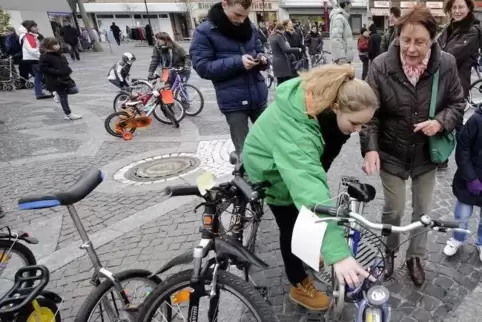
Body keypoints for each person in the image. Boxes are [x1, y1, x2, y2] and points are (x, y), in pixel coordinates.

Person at [242, 64, 378, 311]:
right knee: (290, 223)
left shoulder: (327, 102)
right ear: (336, 108)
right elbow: (309, 189)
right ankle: (298, 283)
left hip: (291, 158)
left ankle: (309, 251)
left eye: (363, 126)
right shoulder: (300, 129)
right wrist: (338, 253)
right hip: (269, 168)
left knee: (307, 214)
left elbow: (317, 168)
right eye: (355, 124)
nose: (358, 131)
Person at [360, 5, 465, 286]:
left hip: (425, 153)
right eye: (406, 40)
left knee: (423, 211)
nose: (411, 48)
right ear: (398, 35)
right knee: (393, 209)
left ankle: (415, 256)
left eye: (419, 41)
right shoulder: (382, 65)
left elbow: (457, 102)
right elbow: (369, 113)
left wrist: (441, 122)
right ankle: (390, 251)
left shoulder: (446, 64)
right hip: (391, 150)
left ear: (432, 39)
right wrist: (370, 148)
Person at [190, 0, 269, 155]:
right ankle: (245, 177)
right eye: (237, 14)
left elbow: (260, 50)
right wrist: (238, 62)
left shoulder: (250, 26)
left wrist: (263, 59)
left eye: (245, 16)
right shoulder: (204, 31)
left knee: (270, 145)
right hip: (233, 102)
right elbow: (202, 67)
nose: (241, 20)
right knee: (244, 152)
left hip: (258, 97)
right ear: (225, 4)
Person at [437, 0, 481, 170]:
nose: (456, 11)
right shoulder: (450, 28)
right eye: (454, 7)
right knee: (447, 119)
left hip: (458, 84)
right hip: (443, 81)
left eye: (460, 7)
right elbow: (435, 48)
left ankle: (468, 159)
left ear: (469, 8)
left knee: (455, 122)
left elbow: (449, 55)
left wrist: (436, 55)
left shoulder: (473, 30)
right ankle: (444, 158)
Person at [443, 105, 482, 259]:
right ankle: (458, 239)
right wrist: (471, 177)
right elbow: (463, 149)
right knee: (462, 215)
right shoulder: (476, 120)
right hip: (470, 178)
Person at [39, 37, 81, 120]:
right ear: (49, 45)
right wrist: (57, 72)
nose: (58, 46)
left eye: (58, 44)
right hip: (56, 80)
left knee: (74, 90)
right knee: (63, 96)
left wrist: (68, 70)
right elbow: (44, 68)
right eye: (55, 44)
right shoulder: (45, 56)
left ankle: (57, 93)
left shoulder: (60, 54)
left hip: (65, 77)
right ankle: (68, 114)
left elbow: (65, 64)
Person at [18, 20, 53, 99]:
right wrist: (42, 56)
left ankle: (39, 93)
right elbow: (33, 49)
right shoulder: (28, 36)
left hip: (33, 59)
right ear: (29, 28)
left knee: (38, 76)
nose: (37, 28)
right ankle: (48, 91)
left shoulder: (31, 35)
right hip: (35, 59)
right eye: (34, 26)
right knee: (43, 75)